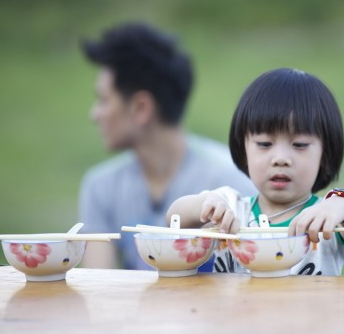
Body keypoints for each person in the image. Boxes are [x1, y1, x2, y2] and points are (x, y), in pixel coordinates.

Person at [78, 22, 256, 270]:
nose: (95, 114)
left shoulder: (234, 180)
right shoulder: (100, 187)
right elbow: (96, 287)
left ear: (141, 107)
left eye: (104, 100)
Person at [166, 68, 344, 276]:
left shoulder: (324, 220)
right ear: (243, 150)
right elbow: (173, 218)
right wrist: (204, 205)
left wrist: (342, 203)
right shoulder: (230, 210)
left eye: (300, 145)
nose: (281, 159)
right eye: (265, 144)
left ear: (325, 153)